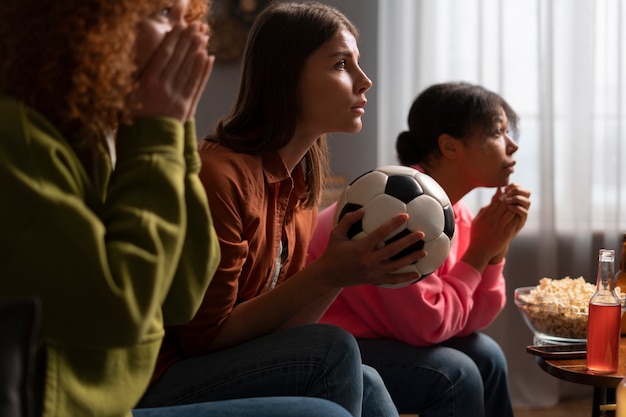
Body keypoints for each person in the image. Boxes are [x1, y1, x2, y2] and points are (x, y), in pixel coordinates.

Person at [0, 0, 358, 417]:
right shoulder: (17, 141)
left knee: (358, 376)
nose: (189, 36)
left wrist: (174, 129)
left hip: (118, 401)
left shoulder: (97, 143)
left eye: (186, 17)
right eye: (164, 14)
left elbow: (184, 293)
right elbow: (124, 311)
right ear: (90, 25)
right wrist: (159, 134)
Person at [138, 3, 427, 417]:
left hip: (221, 364)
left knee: (366, 377)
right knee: (334, 348)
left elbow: (287, 332)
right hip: (166, 380)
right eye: (342, 64)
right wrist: (329, 272)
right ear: (286, 76)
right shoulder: (219, 177)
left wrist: (343, 274)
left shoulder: (300, 186)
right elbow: (203, 338)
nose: (365, 82)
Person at [308, 82, 532, 417]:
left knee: (487, 355)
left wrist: (493, 250)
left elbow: (470, 321)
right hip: (328, 345)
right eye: (498, 132)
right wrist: (478, 255)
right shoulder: (399, 210)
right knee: (457, 373)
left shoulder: (455, 213)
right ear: (449, 146)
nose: (512, 145)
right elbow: (428, 326)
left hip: (383, 335)